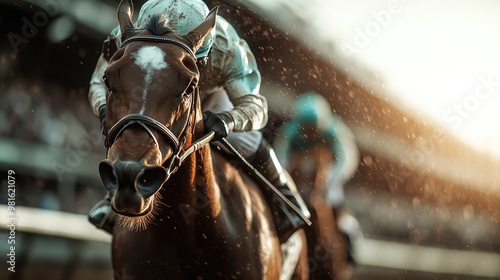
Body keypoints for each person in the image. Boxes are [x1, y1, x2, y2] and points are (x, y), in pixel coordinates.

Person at [87, 0, 310, 242]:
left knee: (248, 141)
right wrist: (102, 108)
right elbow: (100, 81)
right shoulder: (126, 36)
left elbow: (256, 107)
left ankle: (285, 198)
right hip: (154, 95)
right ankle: (114, 197)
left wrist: (229, 120)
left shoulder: (226, 48)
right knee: (130, 132)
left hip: (209, 97)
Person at [273, 91, 363, 260]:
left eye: (313, 130)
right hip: (298, 176)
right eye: (306, 130)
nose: (309, 134)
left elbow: (346, 160)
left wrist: (329, 180)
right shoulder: (289, 133)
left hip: (327, 175)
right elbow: (280, 162)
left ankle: (350, 242)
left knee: (335, 202)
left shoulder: (336, 131)